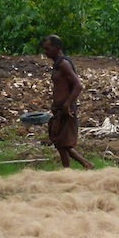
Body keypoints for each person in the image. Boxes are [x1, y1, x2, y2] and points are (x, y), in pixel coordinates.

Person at [42, 34, 94, 170]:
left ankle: (86, 164)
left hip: (66, 108)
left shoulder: (64, 64)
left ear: (57, 48)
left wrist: (67, 104)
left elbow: (78, 85)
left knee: (63, 143)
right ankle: (68, 171)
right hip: (59, 108)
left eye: (48, 49)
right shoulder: (57, 65)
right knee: (59, 143)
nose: (45, 52)